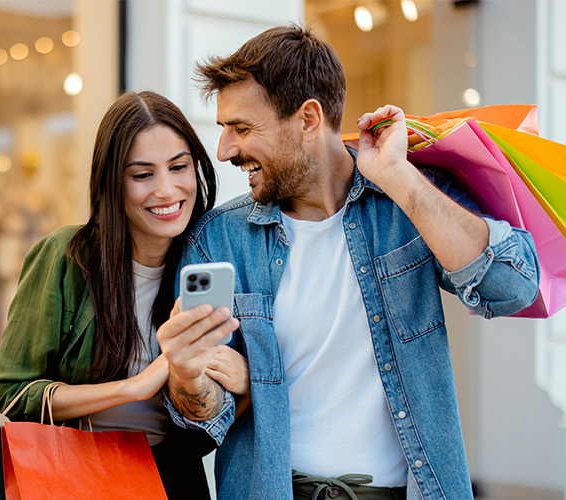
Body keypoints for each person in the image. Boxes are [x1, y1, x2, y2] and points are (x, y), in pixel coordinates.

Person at [166, 25, 542, 500]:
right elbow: (210, 417)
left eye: (241, 128)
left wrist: (398, 178)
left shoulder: (405, 202)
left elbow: (513, 286)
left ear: (307, 120)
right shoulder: (220, 238)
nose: (226, 150)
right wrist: (186, 375)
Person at [0, 91, 250, 500]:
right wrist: (134, 387)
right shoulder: (66, 257)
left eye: (178, 167)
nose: (166, 190)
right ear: (113, 181)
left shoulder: (213, 259)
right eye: (142, 175)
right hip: (74, 477)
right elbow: (8, 396)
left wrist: (245, 386)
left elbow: (216, 427)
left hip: (173, 480)